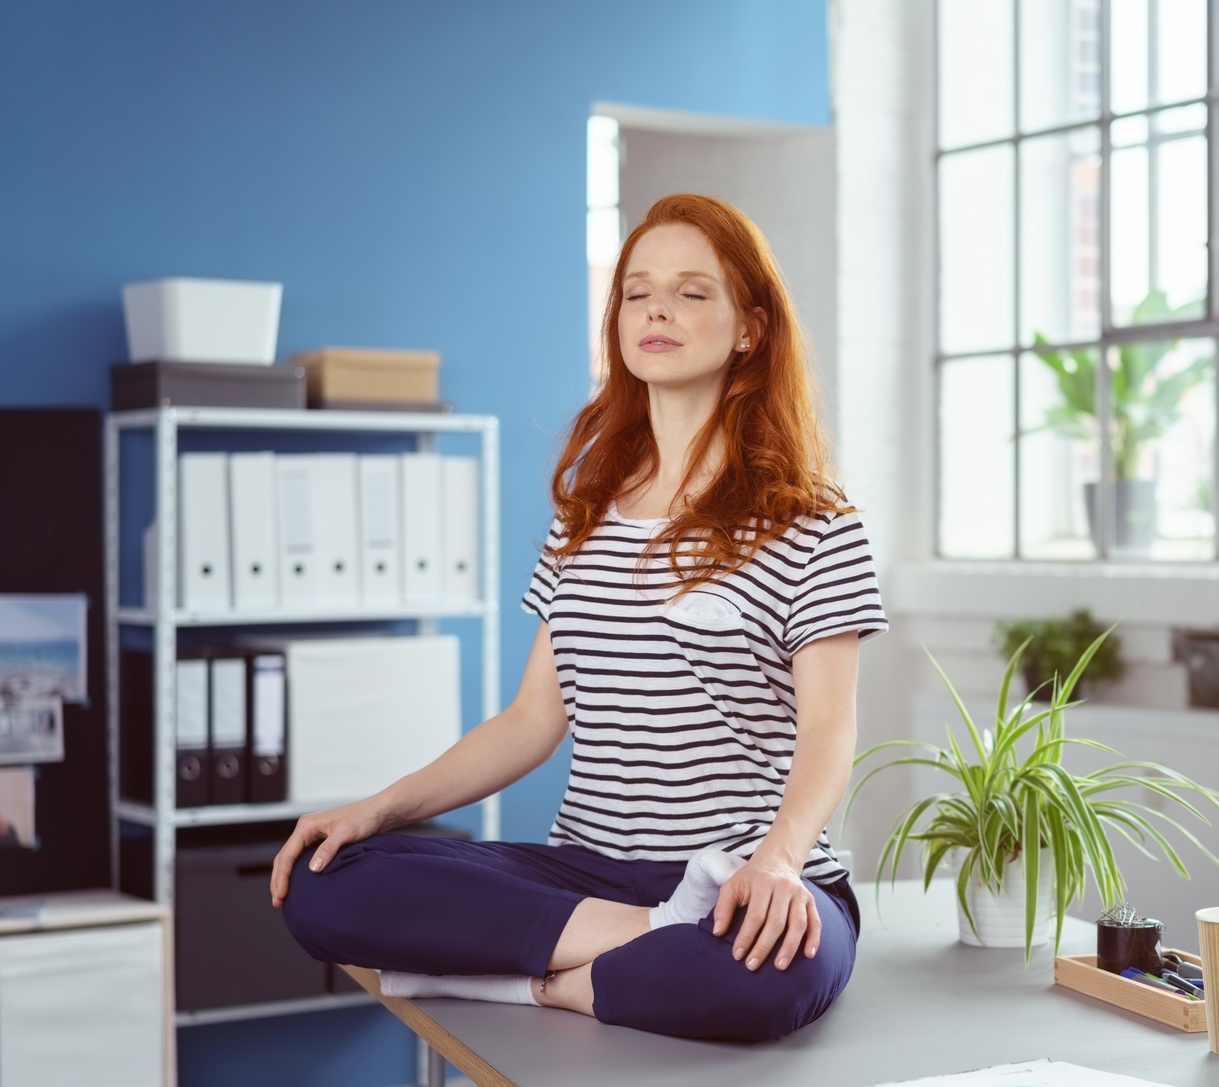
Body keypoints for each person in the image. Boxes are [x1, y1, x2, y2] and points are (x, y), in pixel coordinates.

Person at [271, 193, 886, 1042]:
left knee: (769, 975)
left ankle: (537, 983)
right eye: (638, 292)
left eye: (691, 291)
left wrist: (779, 862)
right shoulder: (586, 514)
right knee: (327, 878)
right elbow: (530, 721)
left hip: (756, 876)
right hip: (587, 877)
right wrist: (375, 810)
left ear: (749, 328)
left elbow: (828, 730)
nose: (658, 309)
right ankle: (649, 942)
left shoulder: (814, 523)